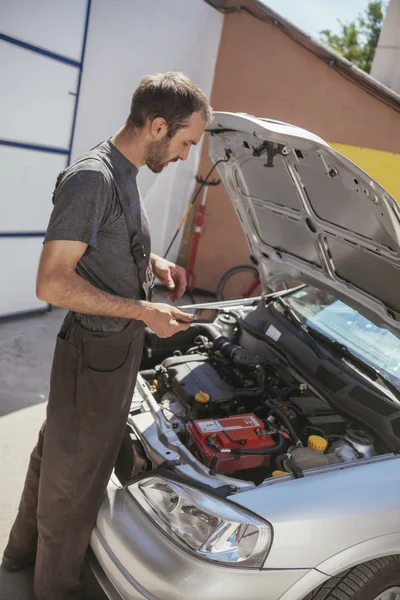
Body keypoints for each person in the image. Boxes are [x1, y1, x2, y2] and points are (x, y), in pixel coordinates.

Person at [2, 72, 213, 600]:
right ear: (158, 125)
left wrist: (153, 264)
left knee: (56, 455)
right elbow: (51, 281)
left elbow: (102, 249)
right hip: (95, 352)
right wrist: (143, 310)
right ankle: (57, 591)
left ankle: (18, 556)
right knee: (77, 485)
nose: (188, 156)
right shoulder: (93, 179)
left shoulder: (123, 173)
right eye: (187, 142)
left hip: (106, 351)